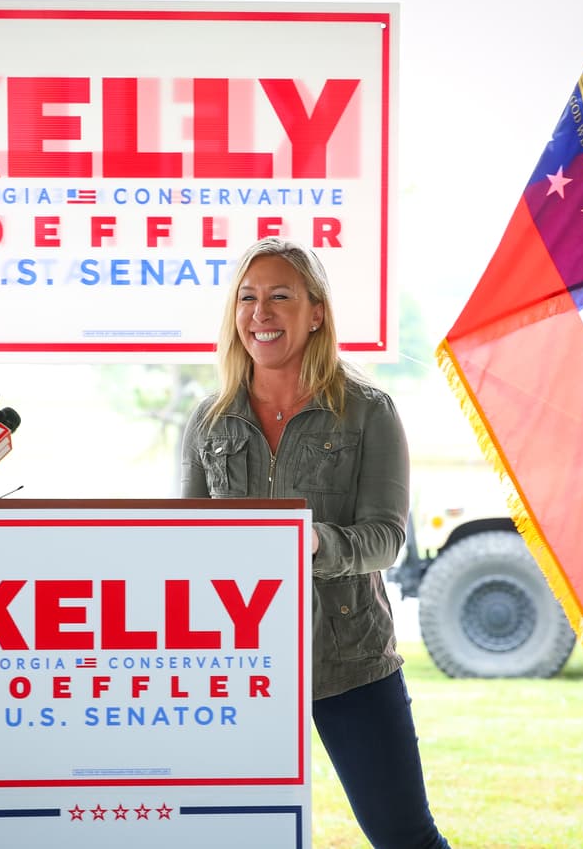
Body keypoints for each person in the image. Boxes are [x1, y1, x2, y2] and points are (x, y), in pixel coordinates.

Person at [180, 237, 450, 849]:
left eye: (281, 297)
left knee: (405, 835)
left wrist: (310, 544)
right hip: (233, 669)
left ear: (317, 311)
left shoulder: (368, 411)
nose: (261, 314)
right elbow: (184, 539)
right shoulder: (208, 420)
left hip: (350, 661)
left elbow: (386, 539)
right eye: (248, 298)